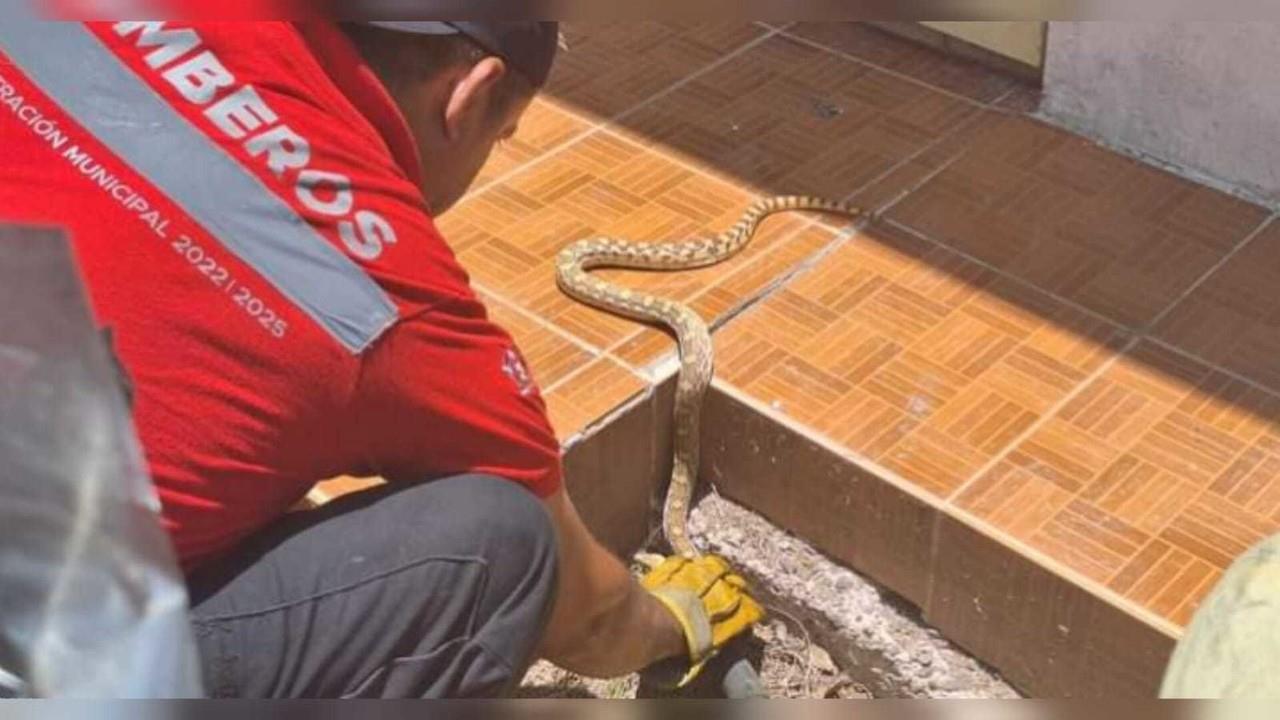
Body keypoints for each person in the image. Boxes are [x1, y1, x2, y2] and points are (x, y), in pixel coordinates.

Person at [0, 16, 762, 698]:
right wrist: (674, 621)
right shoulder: (389, 295)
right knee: (502, 544)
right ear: (469, 96)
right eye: (505, 138)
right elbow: (591, 619)